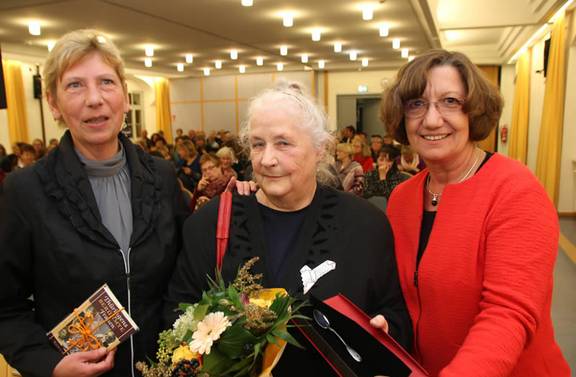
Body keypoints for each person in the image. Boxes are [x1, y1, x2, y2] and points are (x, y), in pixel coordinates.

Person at [165, 81, 411, 376]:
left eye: (283, 143)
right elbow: (176, 315)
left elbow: (395, 314)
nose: (267, 159)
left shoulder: (364, 224)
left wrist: (384, 332)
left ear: (320, 149)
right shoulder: (210, 224)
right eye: (258, 144)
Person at [0, 29, 190, 377]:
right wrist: (50, 365)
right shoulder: (25, 190)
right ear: (53, 103)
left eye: (106, 82)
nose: (94, 99)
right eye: (75, 85)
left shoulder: (162, 176)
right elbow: (5, 309)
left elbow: (187, 275)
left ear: (124, 95)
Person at [372, 49, 571, 376]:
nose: (432, 120)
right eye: (417, 104)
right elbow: (410, 298)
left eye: (450, 101)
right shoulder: (402, 198)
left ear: (474, 111)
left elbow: (508, 315)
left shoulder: (515, 190)